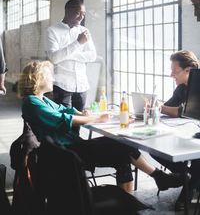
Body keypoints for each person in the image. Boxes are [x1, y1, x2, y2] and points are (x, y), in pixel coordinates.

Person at [18, 60, 183, 195]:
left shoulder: (42, 100)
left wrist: (82, 113)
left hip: (68, 147)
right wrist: (97, 118)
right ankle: (158, 177)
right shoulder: (31, 102)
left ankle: (130, 203)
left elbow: (65, 110)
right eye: (49, 76)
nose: (53, 79)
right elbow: (62, 119)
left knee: (122, 154)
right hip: (65, 153)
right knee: (122, 145)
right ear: (38, 78)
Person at [151, 50, 200, 210]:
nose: (172, 75)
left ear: (188, 70)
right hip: (188, 132)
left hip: (194, 135)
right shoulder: (181, 89)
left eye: (175, 71)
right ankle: (186, 176)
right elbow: (169, 106)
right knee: (154, 148)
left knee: (198, 161)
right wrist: (157, 107)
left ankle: (188, 189)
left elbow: (181, 111)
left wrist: (160, 107)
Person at [45, 0, 96, 117]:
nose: (81, 18)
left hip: (82, 86)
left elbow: (92, 56)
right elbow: (54, 58)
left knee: (79, 124)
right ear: (67, 11)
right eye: (78, 13)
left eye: (83, 14)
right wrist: (78, 43)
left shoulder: (85, 31)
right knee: (64, 123)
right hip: (62, 85)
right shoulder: (52, 31)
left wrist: (67, 54)